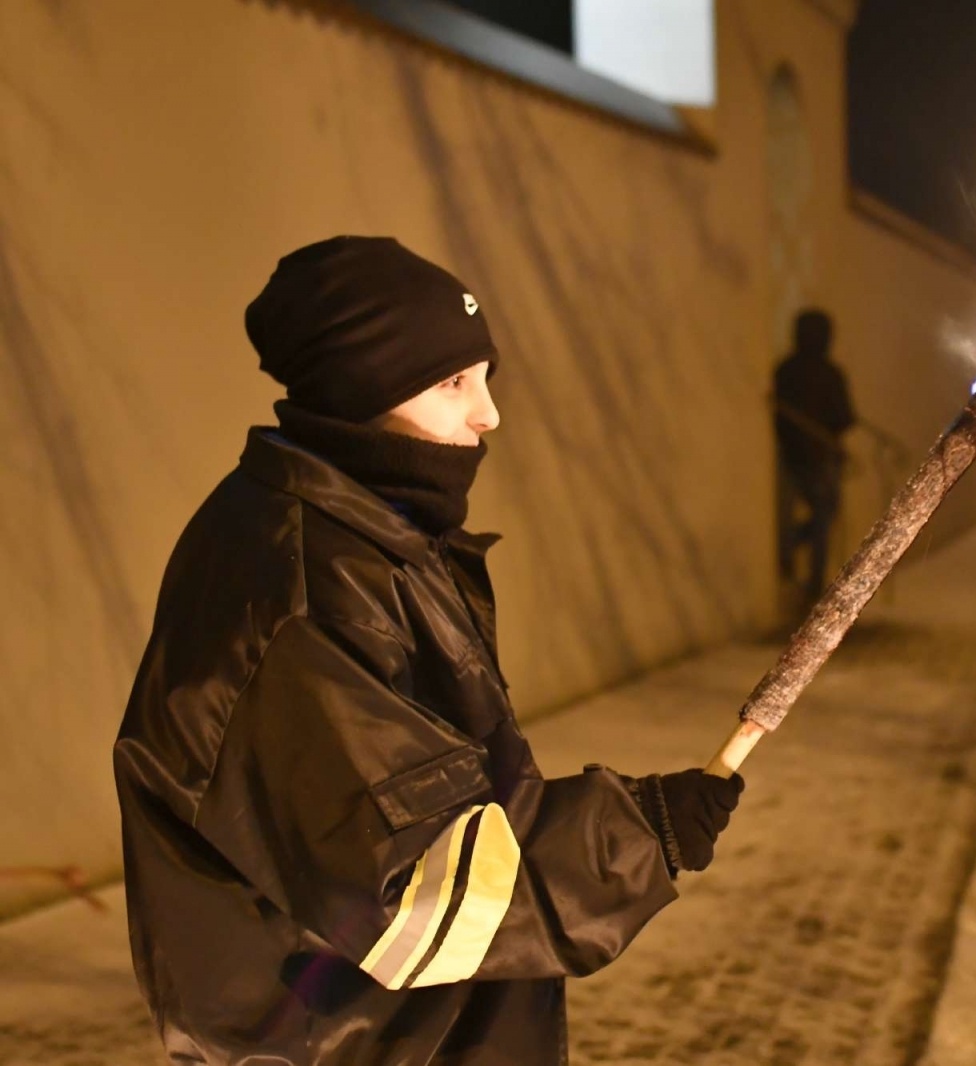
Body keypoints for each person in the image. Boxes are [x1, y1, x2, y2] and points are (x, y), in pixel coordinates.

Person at [113, 236, 743, 1064]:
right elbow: (417, 889)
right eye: (453, 384)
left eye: (486, 379)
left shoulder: (370, 536)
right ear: (359, 390)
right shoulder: (302, 597)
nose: (488, 415)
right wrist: (635, 836)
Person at [773, 309, 856, 601]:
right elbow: (845, 417)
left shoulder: (786, 370)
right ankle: (809, 581)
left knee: (821, 519)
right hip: (816, 459)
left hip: (798, 457)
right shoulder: (829, 373)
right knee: (823, 520)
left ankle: (791, 552)